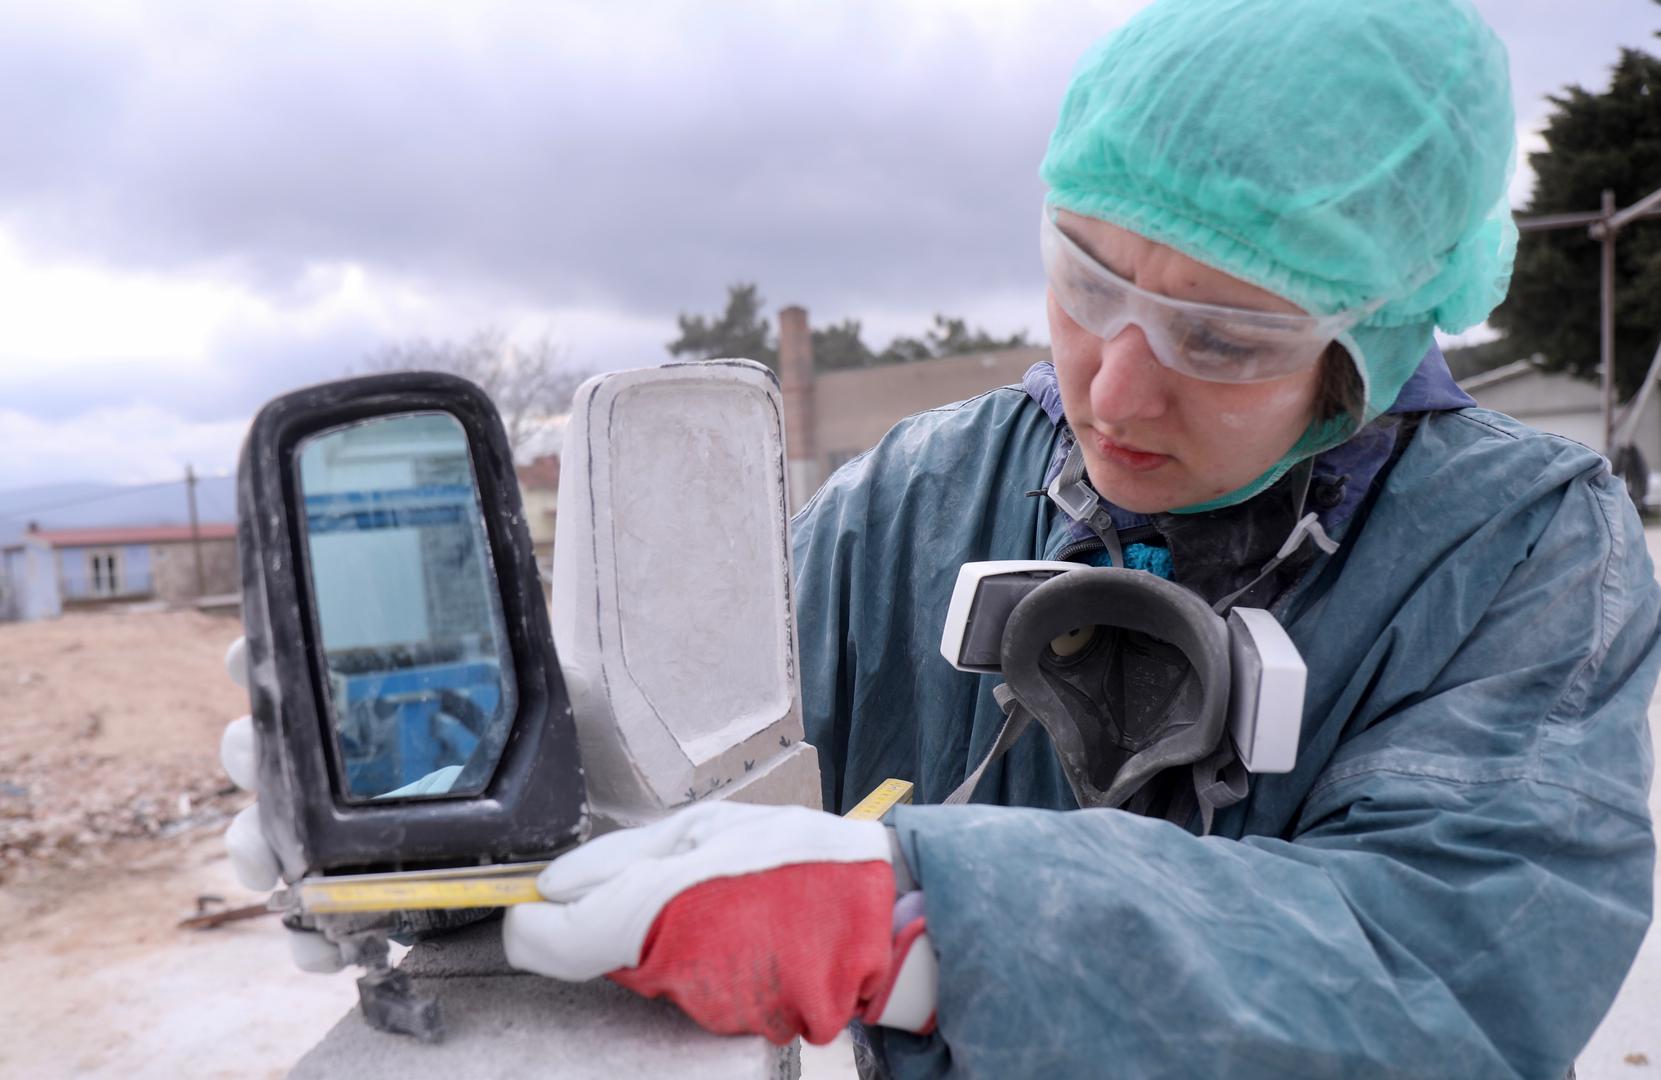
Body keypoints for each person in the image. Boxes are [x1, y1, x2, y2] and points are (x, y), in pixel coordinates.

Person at [241, 1, 1661, 1075]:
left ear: (1380, 329)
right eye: (1083, 278)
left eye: (1221, 339)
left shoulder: (1525, 554)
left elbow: (1455, 971)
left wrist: (931, 917)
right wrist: (439, 833)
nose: (1111, 387)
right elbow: (678, 782)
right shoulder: (927, 489)